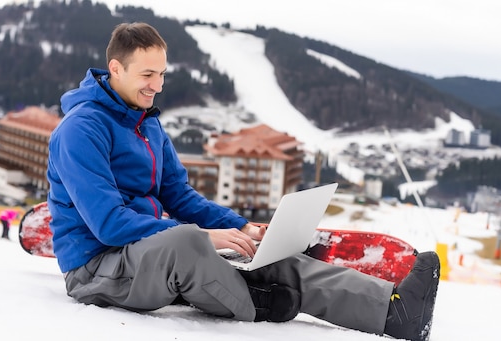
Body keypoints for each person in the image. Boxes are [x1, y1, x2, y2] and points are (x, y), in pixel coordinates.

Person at [46, 22, 440, 341]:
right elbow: (110, 223)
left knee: (266, 255)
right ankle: (264, 302)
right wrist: (204, 235)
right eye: (147, 74)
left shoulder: (147, 124)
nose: (158, 85)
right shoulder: (80, 130)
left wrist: (239, 227)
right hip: (96, 269)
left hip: (149, 256)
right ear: (116, 69)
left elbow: (178, 195)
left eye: (162, 74)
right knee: (187, 241)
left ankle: (394, 311)